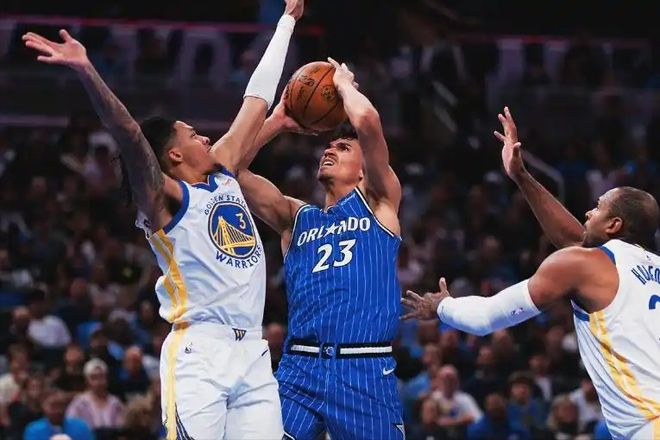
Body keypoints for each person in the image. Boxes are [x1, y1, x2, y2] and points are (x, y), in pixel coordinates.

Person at [22, 1, 305, 437]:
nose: (205, 137)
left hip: (253, 348)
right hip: (200, 351)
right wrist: (86, 70)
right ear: (173, 154)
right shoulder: (164, 200)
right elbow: (129, 135)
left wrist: (287, 20)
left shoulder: (224, 173)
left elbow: (257, 99)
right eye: (193, 134)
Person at [402, 107, 660, 439]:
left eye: (598, 207)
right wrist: (520, 175)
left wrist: (442, 306)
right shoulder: (646, 267)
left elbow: (486, 318)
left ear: (614, 225)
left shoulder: (583, 264)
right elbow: (577, 242)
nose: (588, 211)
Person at [238, 59, 405, 438]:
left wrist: (343, 85)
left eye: (342, 147)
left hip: (363, 369)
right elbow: (229, 169)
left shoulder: (378, 203)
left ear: (363, 170)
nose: (329, 150)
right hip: (299, 368)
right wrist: (278, 121)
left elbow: (368, 121)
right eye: (328, 145)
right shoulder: (295, 217)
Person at [23, 388, 94, 440]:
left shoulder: (80, 427)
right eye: (53, 406)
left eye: (61, 405)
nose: (58, 410)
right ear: (43, 407)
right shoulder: (34, 430)